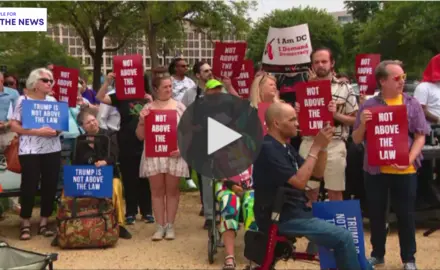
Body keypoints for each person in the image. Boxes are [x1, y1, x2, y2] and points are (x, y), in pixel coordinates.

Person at [253, 101, 363, 270]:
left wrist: (323, 148)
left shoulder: (285, 147)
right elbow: (299, 182)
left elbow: (317, 173)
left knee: (347, 235)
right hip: (282, 216)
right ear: (276, 123)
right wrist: (315, 146)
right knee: (344, 237)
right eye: (292, 120)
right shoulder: (268, 148)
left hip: (296, 211)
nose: (297, 123)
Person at [352, 60, 429, 270]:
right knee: (376, 214)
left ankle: (409, 259)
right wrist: (364, 124)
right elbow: (357, 139)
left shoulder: (411, 103)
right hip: (375, 170)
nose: (402, 81)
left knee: (406, 215)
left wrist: (409, 159)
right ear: (382, 81)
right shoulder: (368, 106)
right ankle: (377, 254)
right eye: (397, 78)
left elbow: (421, 135)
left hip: (405, 170)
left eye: (403, 77)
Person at [295, 47, 359, 202]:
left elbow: (356, 120)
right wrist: (297, 112)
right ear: (312, 65)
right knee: (308, 192)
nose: (320, 65)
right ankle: (310, 224)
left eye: (324, 61)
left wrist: (335, 115)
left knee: (335, 192)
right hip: (309, 141)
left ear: (332, 63)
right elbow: (297, 125)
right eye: (316, 62)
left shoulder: (345, 88)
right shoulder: (304, 88)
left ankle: (335, 226)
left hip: (335, 143)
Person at [10, 68, 61, 240]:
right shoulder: (22, 100)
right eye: (45, 80)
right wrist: (36, 132)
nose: (49, 83)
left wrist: (57, 130)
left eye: (51, 81)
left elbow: (60, 123)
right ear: (35, 83)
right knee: (29, 185)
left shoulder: (53, 100)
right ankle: (25, 222)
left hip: (52, 149)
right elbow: (14, 125)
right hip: (30, 149)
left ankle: (44, 222)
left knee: (50, 185)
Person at [96, 72, 154, 225]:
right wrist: (107, 82)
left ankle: (147, 211)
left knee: (145, 177)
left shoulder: (148, 96)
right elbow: (100, 98)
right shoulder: (120, 96)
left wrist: (151, 101)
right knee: (129, 177)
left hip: (145, 141)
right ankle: (131, 212)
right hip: (126, 141)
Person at [136, 75, 189, 241]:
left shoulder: (180, 107)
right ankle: (160, 226)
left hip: (174, 155)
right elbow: (140, 136)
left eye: (170, 86)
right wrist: (142, 121)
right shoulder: (148, 108)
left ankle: (171, 225)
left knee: (172, 191)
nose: (169, 89)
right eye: (165, 86)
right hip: (154, 155)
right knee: (157, 192)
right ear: (156, 89)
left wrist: (182, 148)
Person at [73, 108, 132, 239]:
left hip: (108, 174)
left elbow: (115, 156)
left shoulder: (109, 136)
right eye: (88, 123)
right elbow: (76, 162)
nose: (93, 123)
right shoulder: (80, 141)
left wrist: (105, 161)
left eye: (94, 120)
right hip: (87, 177)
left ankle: (120, 225)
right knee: (68, 189)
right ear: (82, 126)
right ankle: (70, 223)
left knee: (115, 187)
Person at [216, 166, 256, 270]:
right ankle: (229, 257)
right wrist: (231, 185)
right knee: (230, 203)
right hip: (225, 185)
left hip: (251, 186)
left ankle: (255, 256)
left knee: (253, 205)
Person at [169, 57, 197, 190]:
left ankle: (188, 177)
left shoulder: (190, 82)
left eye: (186, 66)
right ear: (176, 68)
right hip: (172, 118)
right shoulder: (169, 81)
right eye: (183, 66)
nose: (186, 68)